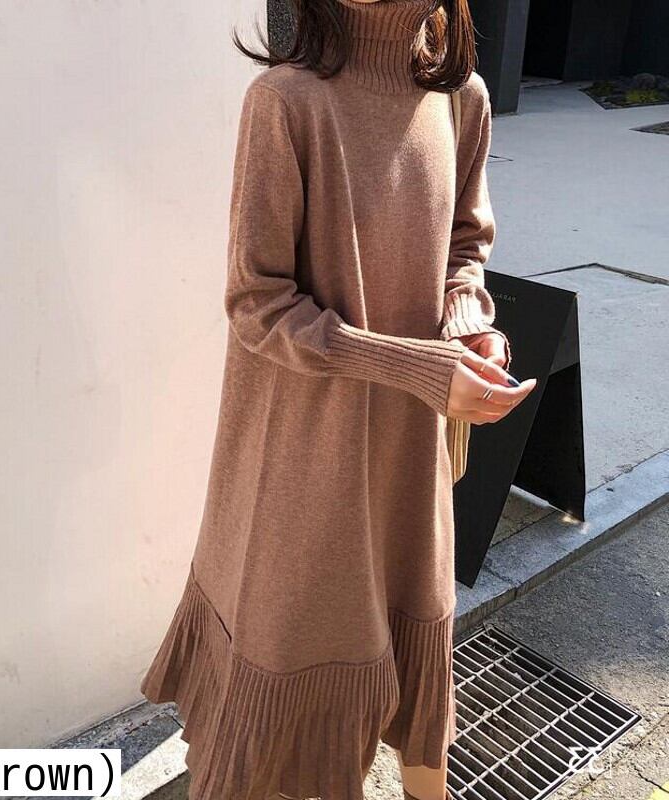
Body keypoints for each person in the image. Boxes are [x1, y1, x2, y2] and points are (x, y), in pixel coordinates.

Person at [139, 1, 537, 798]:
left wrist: (469, 326)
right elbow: (258, 303)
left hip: (408, 451)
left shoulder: (462, 99)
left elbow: (465, 244)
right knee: (286, 704)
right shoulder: (286, 102)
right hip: (303, 460)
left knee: (418, 663)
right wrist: (424, 369)